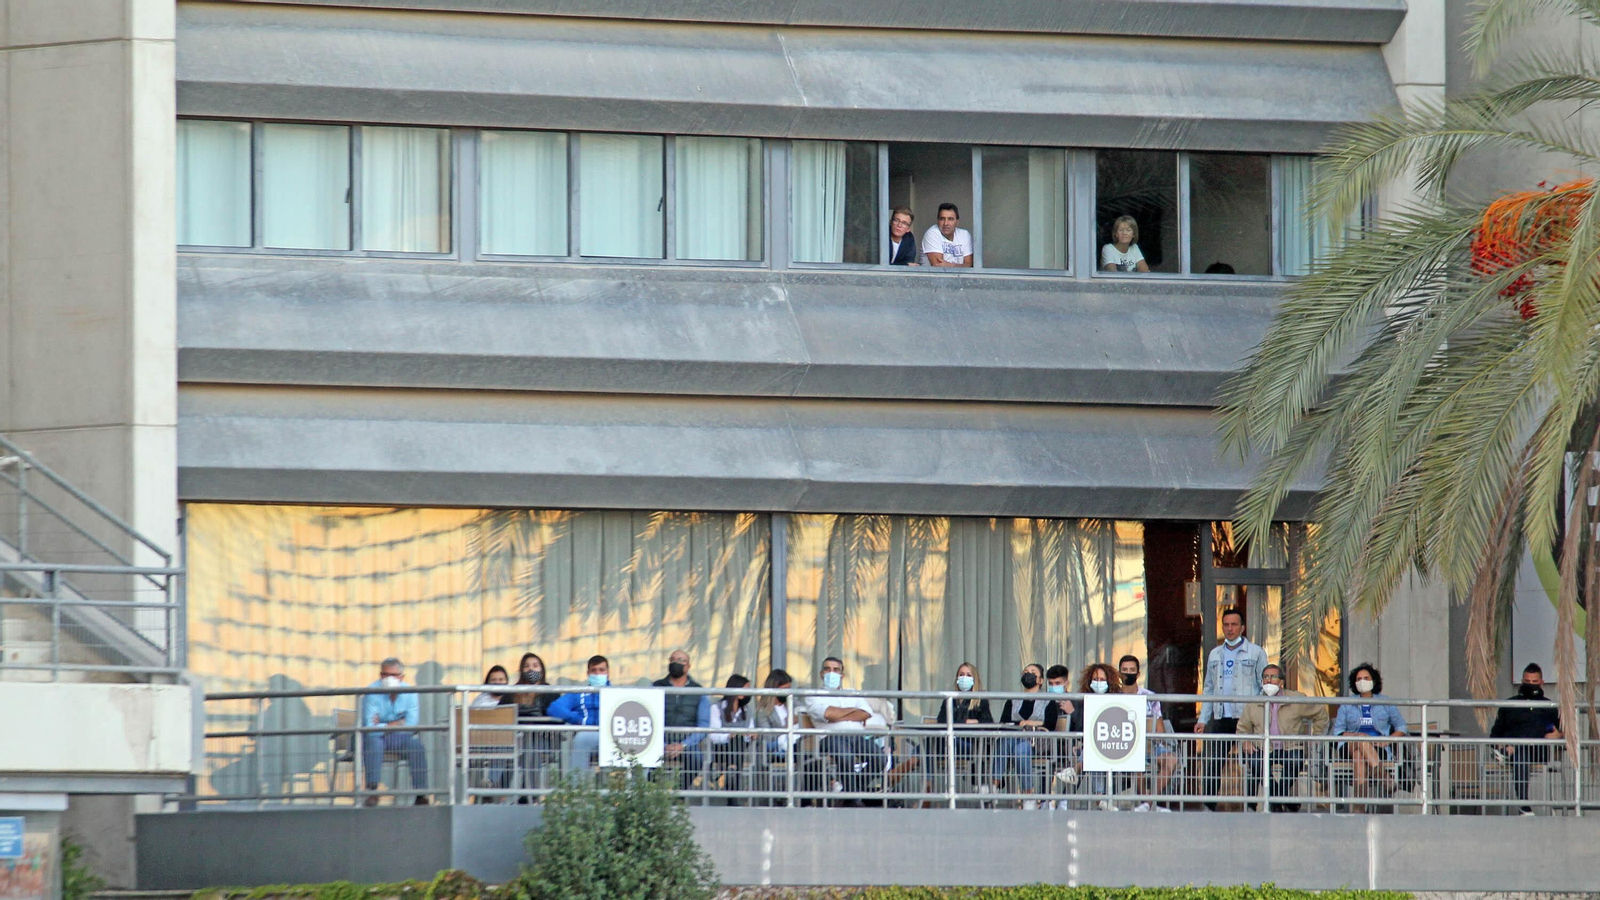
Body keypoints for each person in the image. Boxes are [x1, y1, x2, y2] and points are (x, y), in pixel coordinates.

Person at [1195, 608, 1266, 810]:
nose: (1229, 628)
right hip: (1221, 716)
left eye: (1234, 624)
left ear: (1242, 627)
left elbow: (1265, 686)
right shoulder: (1215, 654)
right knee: (1213, 762)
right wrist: (1203, 719)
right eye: (1226, 624)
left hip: (1246, 718)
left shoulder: (1256, 652)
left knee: (1252, 762)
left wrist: (1260, 716)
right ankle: (1209, 806)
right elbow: (1209, 688)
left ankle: (1251, 807)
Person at [1235, 663, 1327, 812]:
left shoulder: (1296, 699)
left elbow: (1321, 714)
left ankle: (1276, 799)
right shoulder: (1253, 703)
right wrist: (1245, 741)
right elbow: (1242, 727)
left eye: (1273, 677)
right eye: (1265, 677)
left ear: (1281, 682)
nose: (1269, 680)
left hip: (1290, 747)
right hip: (1263, 748)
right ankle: (1282, 799)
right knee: (1255, 762)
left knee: (1296, 760)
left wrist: (1315, 736)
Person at [802, 656, 886, 805]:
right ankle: (853, 798)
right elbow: (828, 714)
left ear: (842, 675)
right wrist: (852, 712)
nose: (831, 673)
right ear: (821, 673)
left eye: (836, 670)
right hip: (831, 738)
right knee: (845, 757)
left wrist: (837, 713)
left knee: (880, 758)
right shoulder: (814, 695)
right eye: (827, 669)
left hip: (857, 737)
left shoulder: (852, 692)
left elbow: (866, 713)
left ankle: (850, 792)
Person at [1329, 663, 1408, 809]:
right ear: (1354, 683)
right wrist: (1357, 735)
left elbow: (1402, 727)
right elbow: (1338, 731)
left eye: (1366, 678)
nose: (1362, 681)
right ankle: (1385, 778)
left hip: (1378, 747)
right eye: (1359, 679)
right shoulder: (1347, 704)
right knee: (1360, 741)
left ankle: (1358, 809)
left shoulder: (1385, 702)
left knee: (1359, 756)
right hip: (1349, 746)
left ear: (1374, 680)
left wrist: (1388, 740)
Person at [1489, 662, 1563, 815]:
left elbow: (1563, 732)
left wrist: (1558, 735)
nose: (1531, 685)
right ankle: (1524, 804)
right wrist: (1500, 746)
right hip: (1516, 755)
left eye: (1534, 682)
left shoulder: (1549, 706)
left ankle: (1510, 749)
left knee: (1534, 731)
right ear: (1522, 682)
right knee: (1521, 752)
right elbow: (1495, 735)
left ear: (1541, 683)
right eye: (1527, 682)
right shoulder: (1510, 704)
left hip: (1537, 752)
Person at [359, 657, 430, 806]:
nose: (390, 679)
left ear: (401, 677)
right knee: (373, 742)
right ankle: (372, 790)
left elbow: (410, 725)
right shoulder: (371, 692)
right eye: (386, 675)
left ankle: (421, 794)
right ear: (380, 675)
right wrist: (397, 723)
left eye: (394, 675)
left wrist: (383, 725)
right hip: (374, 738)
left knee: (416, 746)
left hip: (400, 737)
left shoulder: (410, 693)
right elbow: (370, 728)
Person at [1118, 654, 1178, 811]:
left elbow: (1160, 730)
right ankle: (1148, 804)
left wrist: (1152, 741)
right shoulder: (1113, 696)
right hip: (1123, 745)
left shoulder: (1150, 697)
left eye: (1132, 670)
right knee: (1135, 756)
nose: (1128, 673)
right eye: (1125, 670)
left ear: (1138, 674)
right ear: (1119, 673)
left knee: (1170, 760)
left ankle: (1148, 803)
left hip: (1151, 745)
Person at [548, 655, 609, 770]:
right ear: (588, 673)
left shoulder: (617, 693)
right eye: (594, 671)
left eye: (601, 670)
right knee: (581, 739)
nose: (597, 674)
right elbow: (554, 708)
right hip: (589, 732)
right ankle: (577, 786)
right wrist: (576, 719)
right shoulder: (579, 693)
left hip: (613, 733)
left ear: (608, 673)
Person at [653, 649, 706, 783]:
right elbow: (648, 719)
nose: (676, 663)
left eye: (681, 660)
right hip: (657, 742)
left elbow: (704, 725)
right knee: (645, 759)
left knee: (696, 759)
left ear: (688, 666)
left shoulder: (699, 691)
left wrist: (682, 745)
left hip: (687, 744)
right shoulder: (655, 687)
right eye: (673, 660)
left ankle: (679, 794)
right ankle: (653, 795)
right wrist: (663, 745)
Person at [998, 663, 1048, 801]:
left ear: (1040, 680)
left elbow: (1050, 723)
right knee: (1013, 745)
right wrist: (1020, 725)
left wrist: (1030, 723)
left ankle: (993, 786)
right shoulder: (1013, 699)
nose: (1028, 674)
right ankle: (1027, 794)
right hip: (1014, 741)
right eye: (1026, 672)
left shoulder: (1047, 700)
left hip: (1037, 743)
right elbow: (1004, 723)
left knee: (1021, 748)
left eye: (1033, 672)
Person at [932, 662, 992, 778]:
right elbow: (941, 721)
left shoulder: (980, 700)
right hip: (947, 743)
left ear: (975, 678)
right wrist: (966, 722)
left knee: (933, 746)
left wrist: (956, 723)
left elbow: (987, 722)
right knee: (926, 746)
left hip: (971, 744)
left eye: (969, 675)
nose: (964, 678)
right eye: (961, 674)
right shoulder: (950, 699)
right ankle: (927, 788)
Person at [707, 674, 753, 790]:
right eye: (746, 688)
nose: (749, 692)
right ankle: (733, 786)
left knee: (738, 742)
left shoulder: (747, 711)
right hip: (720, 750)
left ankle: (732, 773)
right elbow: (713, 735)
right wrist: (730, 735)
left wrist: (751, 735)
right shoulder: (716, 707)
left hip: (741, 749)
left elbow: (750, 731)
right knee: (736, 741)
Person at [752, 669, 798, 762]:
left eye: (789, 689)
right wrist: (787, 726)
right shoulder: (763, 712)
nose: (788, 692)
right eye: (784, 689)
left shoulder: (794, 704)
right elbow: (767, 738)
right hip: (777, 750)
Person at [921, 203, 974, 267]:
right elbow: (938, 266)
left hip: (959, 277)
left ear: (957, 222)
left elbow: (969, 265)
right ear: (938, 221)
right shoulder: (932, 233)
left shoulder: (965, 235)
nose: (946, 223)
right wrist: (960, 266)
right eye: (942, 219)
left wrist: (951, 265)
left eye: (950, 219)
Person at [514, 652, 552, 717]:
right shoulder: (512, 691)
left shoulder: (550, 692)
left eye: (535, 666)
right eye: (526, 666)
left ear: (542, 671)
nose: (530, 669)